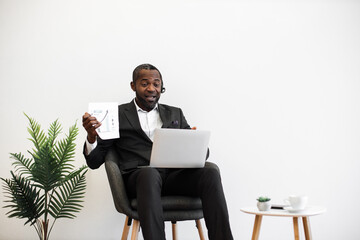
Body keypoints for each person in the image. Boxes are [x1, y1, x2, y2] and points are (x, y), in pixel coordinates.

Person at [82, 63, 233, 240]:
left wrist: (191, 143)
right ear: (133, 86)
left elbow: (201, 154)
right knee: (149, 174)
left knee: (210, 172)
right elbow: (94, 162)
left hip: (173, 177)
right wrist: (92, 137)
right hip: (140, 179)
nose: (151, 88)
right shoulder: (116, 114)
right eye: (145, 83)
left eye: (156, 84)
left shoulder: (175, 113)